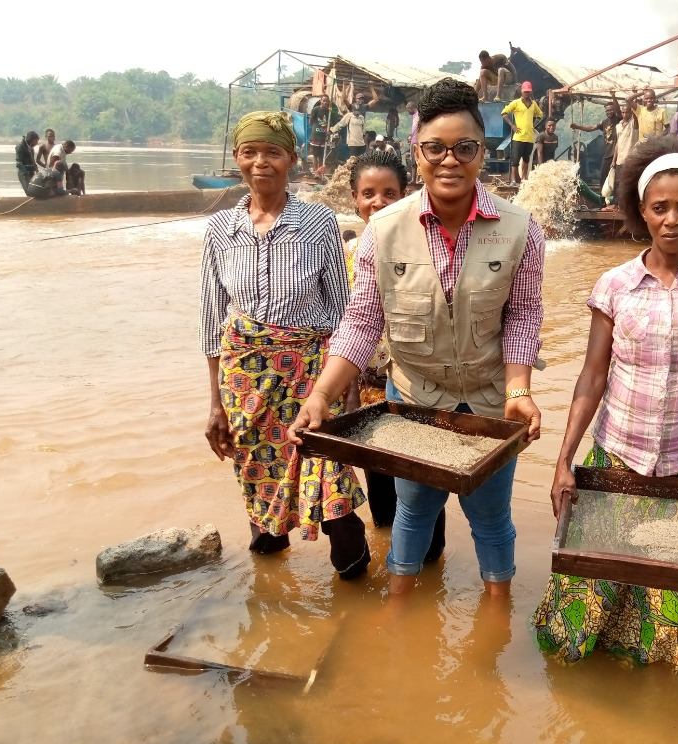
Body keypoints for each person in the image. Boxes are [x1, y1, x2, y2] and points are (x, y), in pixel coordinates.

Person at [288, 78, 545, 597]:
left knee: (492, 517)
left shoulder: (522, 230)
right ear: (417, 152)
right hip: (416, 397)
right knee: (413, 511)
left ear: (483, 152)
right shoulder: (382, 230)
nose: (450, 161)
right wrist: (318, 395)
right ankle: (399, 612)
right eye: (435, 148)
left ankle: (497, 612)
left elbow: (522, 316)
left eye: (465, 148)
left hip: (492, 403)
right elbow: (362, 322)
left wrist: (519, 391)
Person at [534, 135, 678, 668]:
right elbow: (592, 376)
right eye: (660, 208)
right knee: (597, 581)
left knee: (672, 585)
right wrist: (563, 460)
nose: (673, 220)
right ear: (642, 211)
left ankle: (661, 684)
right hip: (618, 456)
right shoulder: (615, 285)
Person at [200, 111, 369, 579]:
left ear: (291, 160)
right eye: (249, 152)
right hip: (244, 382)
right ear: (237, 158)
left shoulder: (317, 222)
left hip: (311, 375)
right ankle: (268, 584)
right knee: (256, 474)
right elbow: (211, 322)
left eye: (272, 152)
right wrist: (215, 403)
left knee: (330, 479)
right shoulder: (219, 231)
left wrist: (346, 387)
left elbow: (343, 310)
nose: (260, 163)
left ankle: (355, 583)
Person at [344, 150, 449, 560]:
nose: (378, 202)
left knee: (422, 476)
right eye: (368, 193)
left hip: (415, 383)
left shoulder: (426, 247)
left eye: (389, 192)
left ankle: (430, 557)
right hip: (368, 386)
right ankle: (390, 550)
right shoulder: (349, 253)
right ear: (355, 198)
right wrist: (348, 389)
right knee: (381, 486)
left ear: (405, 194)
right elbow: (346, 322)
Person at [570, 101, 619, 194]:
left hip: (617, 154)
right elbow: (592, 128)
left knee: (616, 178)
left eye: (611, 110)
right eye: (607, 110)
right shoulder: (604, 122)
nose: (609, 112)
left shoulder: (619, 120)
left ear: (615, 110)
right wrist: (577, 127)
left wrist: (613, 96)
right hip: (607, 154)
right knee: (603, 177)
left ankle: (615, 201)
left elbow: (619, 110)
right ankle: (602, 199)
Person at [502, 82, 543, 185]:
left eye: (528, 91)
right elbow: (504, 113)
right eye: (525, 91)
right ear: (522, 91)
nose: (527, 93)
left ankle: (524, 179)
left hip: (529, 137)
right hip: (518, 137)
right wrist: (512, 125)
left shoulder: (533, 104)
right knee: (515, 161)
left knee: (526, 159)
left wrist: (533, 124)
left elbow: (540, 115)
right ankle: (514, 180)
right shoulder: (516, 103)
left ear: (531, 91)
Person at [308, 95, 331, 172]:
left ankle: (319, 171)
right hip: (315, 136)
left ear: (328, 102)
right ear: (321, 101)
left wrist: (327, 132)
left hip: (324, 137)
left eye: (326, 101)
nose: (325, 102)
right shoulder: (315, 109)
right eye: (323, 100)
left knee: (321, 156)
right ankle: (315, 171)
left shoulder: (329, 112)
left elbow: (329, 124)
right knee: (315, 155)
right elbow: (310, 122)